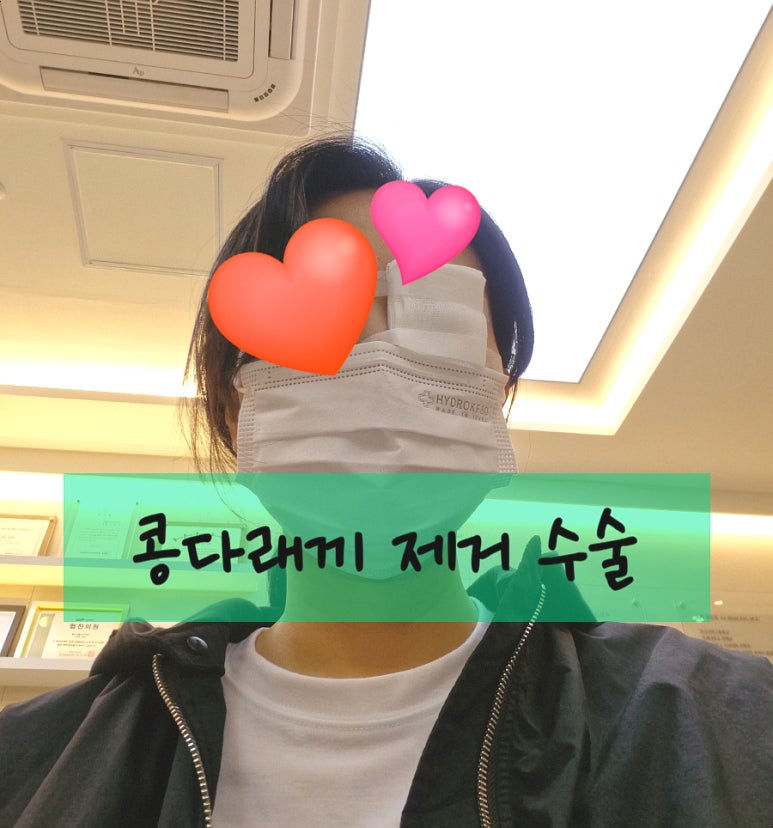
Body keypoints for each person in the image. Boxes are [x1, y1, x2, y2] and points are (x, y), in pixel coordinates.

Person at [1, 136, 772, 828]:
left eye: (438, 332)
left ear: (493, 399)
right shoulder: (40, 758)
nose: (382, 379)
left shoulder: (714, 719)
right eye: (324, 326)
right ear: (239, 410)